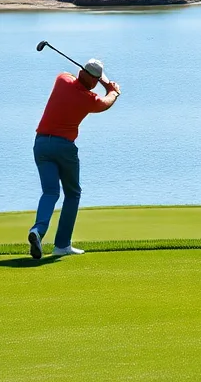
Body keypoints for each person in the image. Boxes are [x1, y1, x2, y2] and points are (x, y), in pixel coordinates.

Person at [28, 58, 121, 258]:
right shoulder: (89, 99)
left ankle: (38, 230)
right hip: (64, 147)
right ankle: (62, 245)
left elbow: (71, 75)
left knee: (50, 192)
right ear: (94, 81)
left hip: (41, 144)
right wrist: (112, 89)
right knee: (72, 194)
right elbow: (107, 102)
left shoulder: (62, 80)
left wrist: (92, 77)